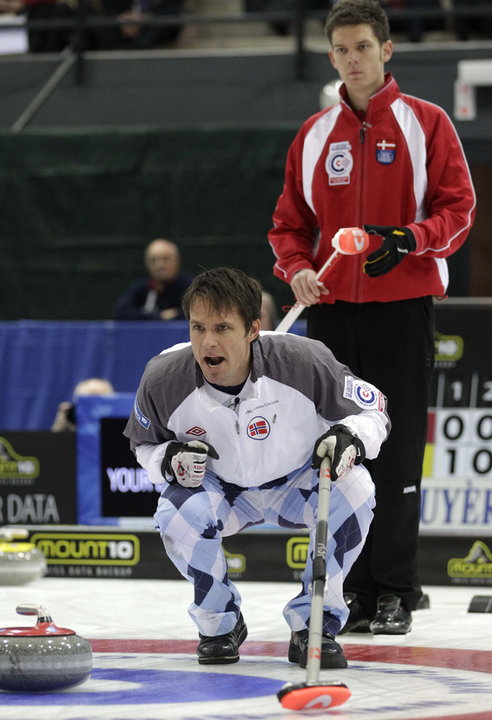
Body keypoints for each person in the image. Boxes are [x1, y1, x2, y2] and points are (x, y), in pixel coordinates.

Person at [268, 0, 476, 635]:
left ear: (387, 50)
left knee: (398, 450)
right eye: (341, 50)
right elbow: (288, 226)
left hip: (401, 310)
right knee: (336, 452)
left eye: (362, 46)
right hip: (332, 318)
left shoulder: (427, 124)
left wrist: (409, 240)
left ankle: (396, 589)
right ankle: (352, 590)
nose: (352, 59)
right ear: (331, 57)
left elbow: (459, 209)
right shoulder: (312, 136)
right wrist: (296, 268)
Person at [124, 266, 389, 666]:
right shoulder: (163, 378)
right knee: (175, 510)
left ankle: (313, 624)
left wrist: (351, 438)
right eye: (197, 327)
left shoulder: (303, 360)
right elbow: (143, 443)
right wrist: (169, 459)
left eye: (222, 328)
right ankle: (219, 622)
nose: (207, 342)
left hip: (297, 483)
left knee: (357, 489)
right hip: (222, 491)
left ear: (252, 329)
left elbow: (374, 410)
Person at [113, 238, 193, 321]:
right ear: (146, 264)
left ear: (176, 261)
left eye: (165, 259)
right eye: (153, 260)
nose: (159, 265)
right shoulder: (141, 287)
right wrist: (159, 316)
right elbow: (121, 312)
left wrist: (176, 314)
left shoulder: (190, 286)